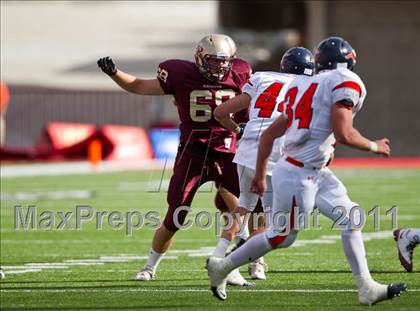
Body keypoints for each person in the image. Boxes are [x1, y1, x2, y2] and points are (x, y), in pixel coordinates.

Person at [206, 36, 407, 305]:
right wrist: (374, 146)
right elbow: (344, 133)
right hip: (297, 173)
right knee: (281, 236)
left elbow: (268, 136)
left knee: (351, 217)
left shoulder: (303, 87)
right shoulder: (343, 82)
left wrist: (260, 172)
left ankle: (366, 287)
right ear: (349, 61)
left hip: (312, 170)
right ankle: (222, 267)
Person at [98, 34, 253, 283]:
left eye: (224, 61)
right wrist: (115, 73)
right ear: (200, 58)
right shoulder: (180, 73)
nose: (220, 67)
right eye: (213, 61)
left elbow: (249, 110)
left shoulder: (241, 72)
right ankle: (149, 266)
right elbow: (139, 85)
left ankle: (238, 260)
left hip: (228, 151)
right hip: (193, 151)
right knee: (176, 216)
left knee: (247, 208)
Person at [212, 47, 315, 280]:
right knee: (273, 224)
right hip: (272, 156)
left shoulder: (261, 77)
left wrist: (238, 129)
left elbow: (220, 112)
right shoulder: (308, 87)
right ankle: (236, 263)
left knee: (243, 208)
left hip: (246, 150)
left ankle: (219, 255)